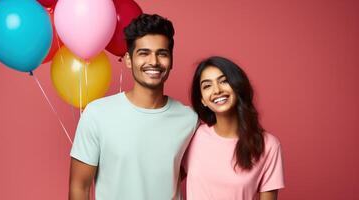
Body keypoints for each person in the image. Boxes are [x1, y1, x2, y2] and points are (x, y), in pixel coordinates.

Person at [69, 14, 198, 200]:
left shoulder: (190, 120)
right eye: (144, 53)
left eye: (162, 53)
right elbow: (79, 187)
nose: (154, 61)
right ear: (129, 60)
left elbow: (186, 174)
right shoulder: (97, 114)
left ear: (171, 60)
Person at [184, 56, 284, 200]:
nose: (217, 90)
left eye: (224, 81)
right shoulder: (191, 135)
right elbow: (165, 182)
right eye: (207, 86)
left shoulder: (268, 145)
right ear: (202, 100)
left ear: (238, 86)